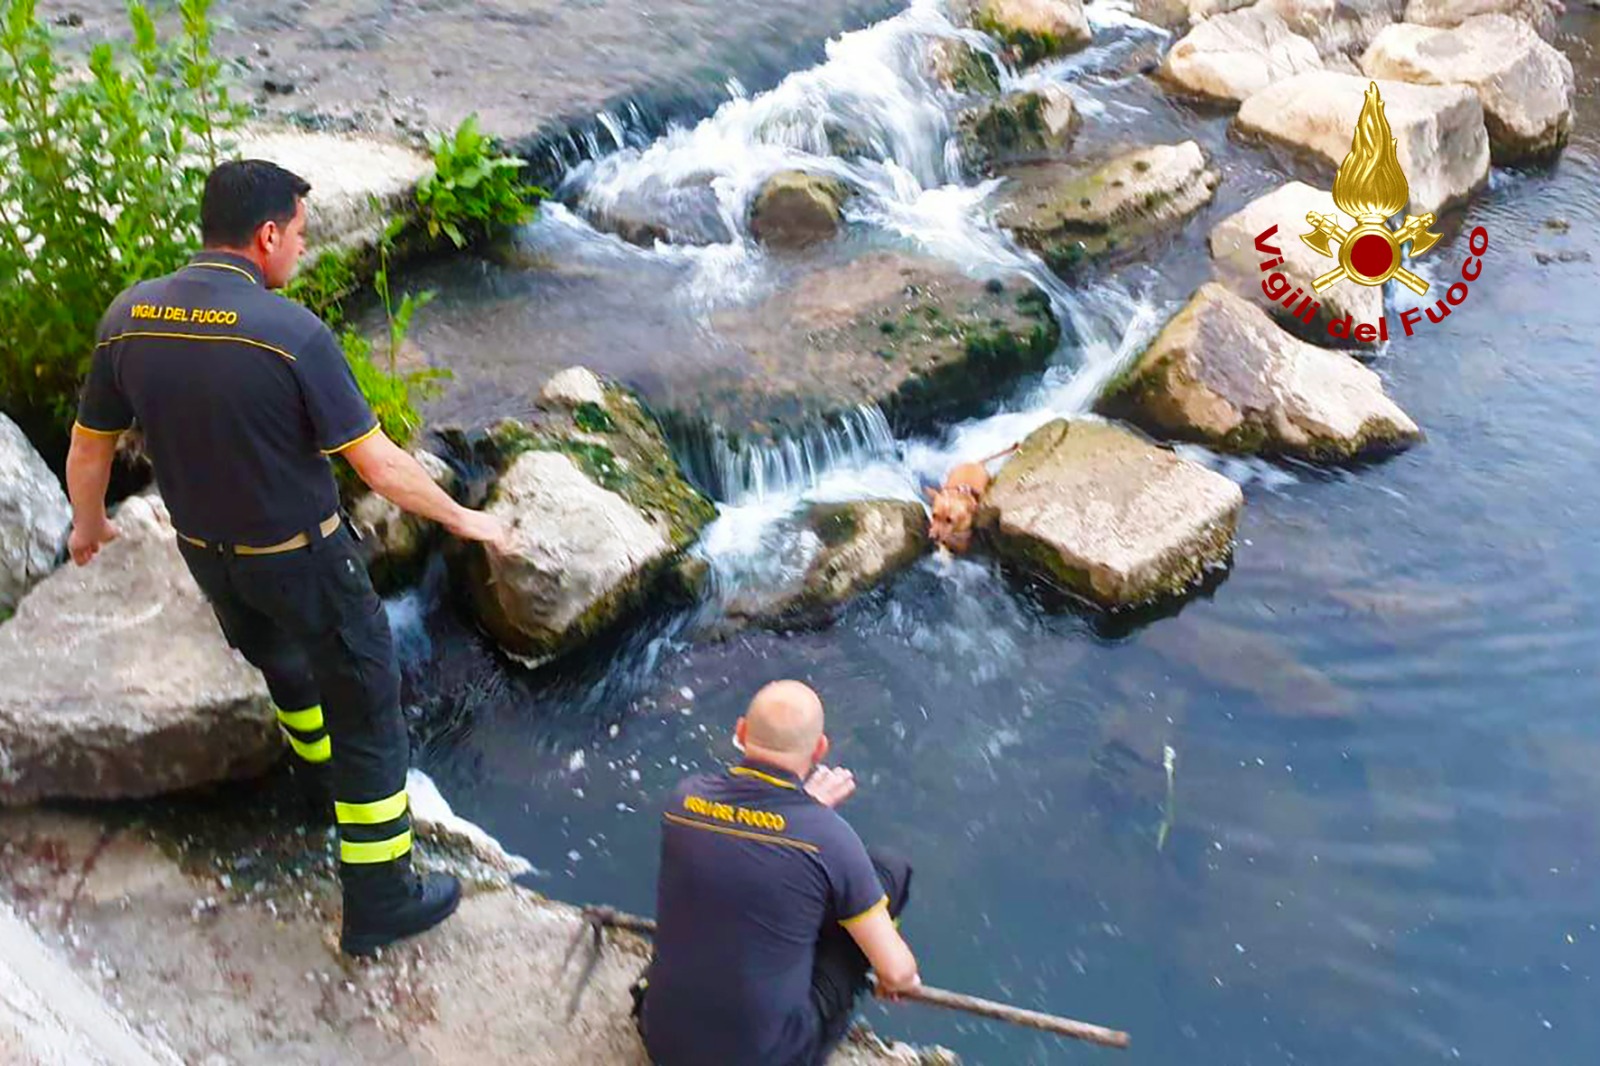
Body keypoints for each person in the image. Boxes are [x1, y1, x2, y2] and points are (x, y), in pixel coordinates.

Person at [63, 159, 511, 957]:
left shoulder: (128, 315)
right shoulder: (290, 333)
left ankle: (313, 790)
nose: (301, 248)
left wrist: (87, 527)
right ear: (267, 235)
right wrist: (466, 522)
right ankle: (380, 896)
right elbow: (379, 467)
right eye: (300, 232)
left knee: (287, 672)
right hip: (304, 562)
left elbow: (90, 445)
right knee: (369, 710)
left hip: (214, 561)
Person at [636, 680, 921, 1066]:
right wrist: (896, 977)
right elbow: (899, 972)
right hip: (770, 1058)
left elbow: (750, 846)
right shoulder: (829, 839)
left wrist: (804, 810)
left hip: (663, 1042)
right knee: (889, 869)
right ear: (820, 748)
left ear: (740, 732)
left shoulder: (682, 800)